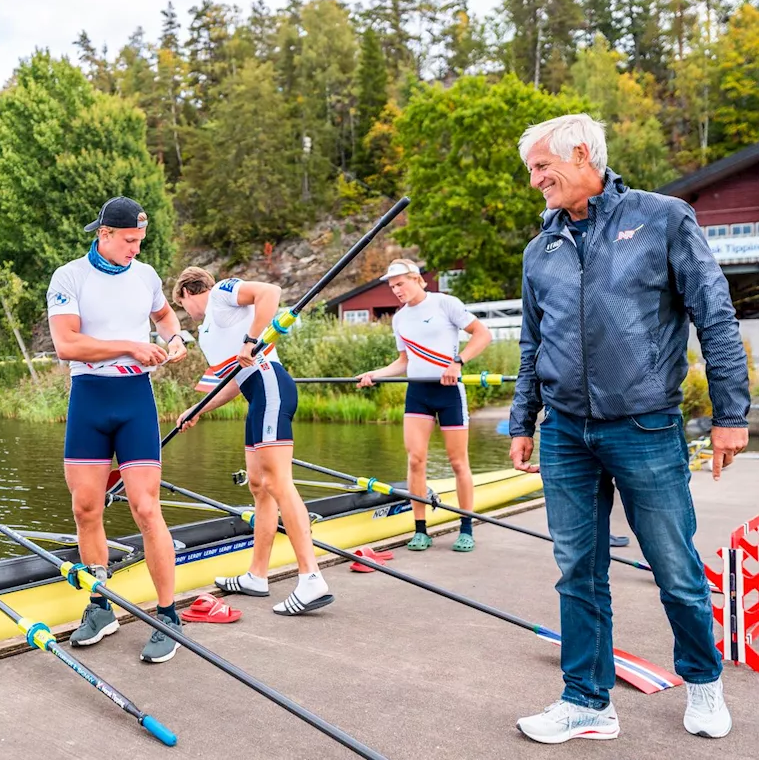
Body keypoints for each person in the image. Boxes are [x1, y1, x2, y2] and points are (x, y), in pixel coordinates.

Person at [509, 113, 749, 743]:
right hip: (564, 432)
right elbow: (533, 344)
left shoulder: (664, 218)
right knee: (576, 570)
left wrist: (730, 414)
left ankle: (702, 683)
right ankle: (587, 701)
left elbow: (715, 317)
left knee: (674, 566)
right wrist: (522, 420)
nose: (534, 181)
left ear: (582, 153)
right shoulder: (542, 248)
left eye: (541, 167)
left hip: (643, 426)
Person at [46, 196, 188, 662]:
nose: (135, 249)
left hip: (134, 401)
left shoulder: (145, 276)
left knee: (147, 509)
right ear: (103, 234)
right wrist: (132, 345)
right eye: (129, 241)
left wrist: (174, 338)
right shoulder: (69, 277)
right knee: (86, 508)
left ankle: (168, 616)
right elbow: (67, 345)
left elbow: (165, 315)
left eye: (140, 241)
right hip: (89, 398)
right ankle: (101, 605)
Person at [172, 268, 333, 615]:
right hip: (254, 395)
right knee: (259, 486)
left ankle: (311, 579)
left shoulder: (220, 295)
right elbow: (232, 381)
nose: (188, 314)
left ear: (187, 291)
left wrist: (250, 339)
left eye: (182, 306)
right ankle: (257, 576)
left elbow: (271, 292)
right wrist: (198, 408)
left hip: (270, 385)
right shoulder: (207, 334)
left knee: (278, 482)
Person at [356, 259, 492, 552]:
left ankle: (466, 528)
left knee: (458, 463)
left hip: (449, 391)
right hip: (418, 392)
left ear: (417, 279)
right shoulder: (400, 318)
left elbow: (483, 334)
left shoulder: (445, 304)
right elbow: (403, 362)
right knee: (415, 460)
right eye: (392, 287)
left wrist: (458, 363)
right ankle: (421, 530)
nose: (396, 290)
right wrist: (374, 375)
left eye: (400, 283)